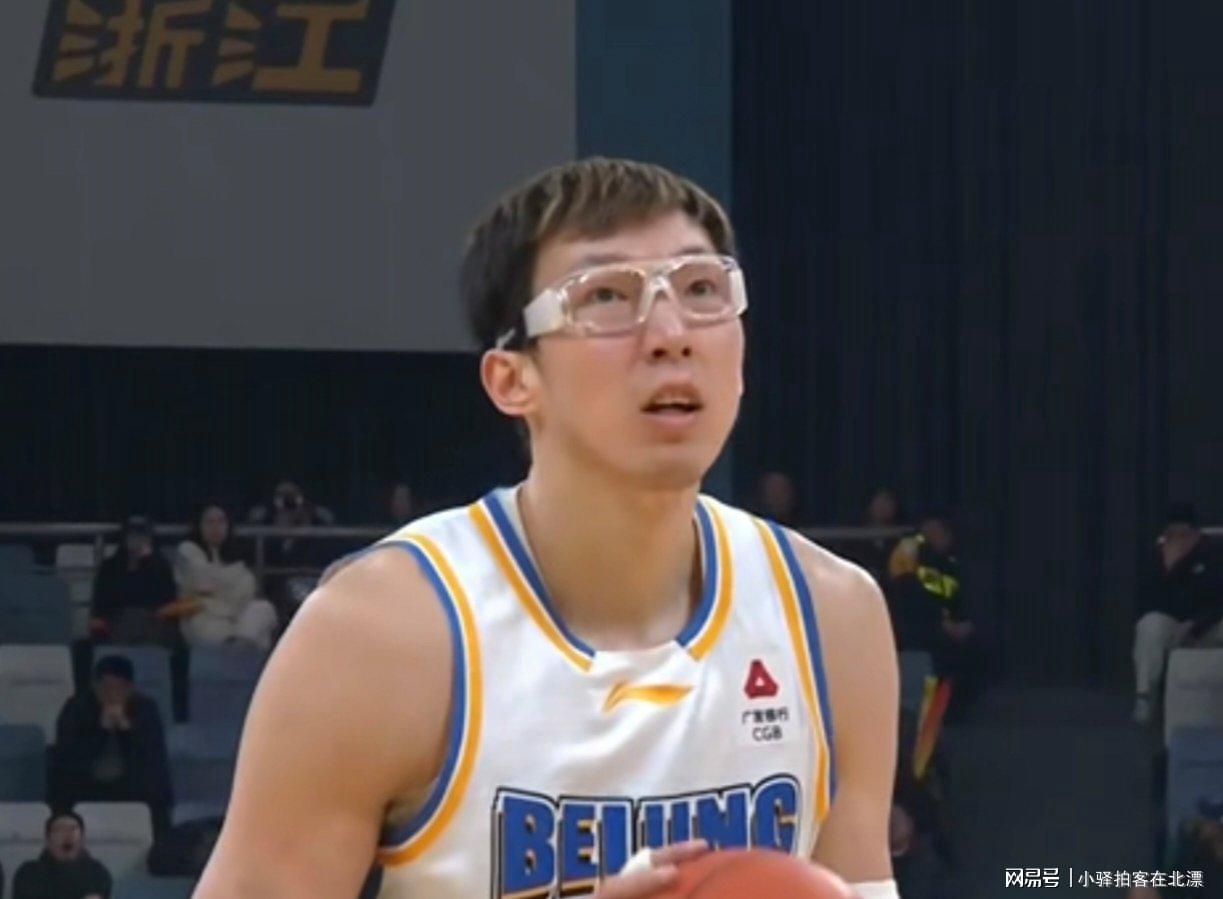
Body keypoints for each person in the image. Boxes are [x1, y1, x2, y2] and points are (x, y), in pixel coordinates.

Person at [196, 158, 900, 899]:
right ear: (512, 380)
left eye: (700, 290)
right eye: (606, 296)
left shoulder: (833, 614)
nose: (670, 334)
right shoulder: (380, 633)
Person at [50, 655, 173, 837]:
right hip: (85, 785)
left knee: (155, 793)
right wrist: (100, 731)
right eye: (106, 688)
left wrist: (126, 731)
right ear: (95, 687)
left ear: (130, 688)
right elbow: (68, 758)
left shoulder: (145, 709)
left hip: (132, 786)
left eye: (120, 688)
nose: (112, 694)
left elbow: (151, 758)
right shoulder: (76, 708)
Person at [888, 512, 985, 720]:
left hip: (944, 637)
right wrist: (941, 622)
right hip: (917, 636)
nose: (936, 537)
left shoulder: (952, 564)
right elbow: (906, 595)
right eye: (930, 532)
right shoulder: (909, 554)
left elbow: (960, 601)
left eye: (941, 533)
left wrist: (962, 624)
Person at [1133, 503, 1223, 726]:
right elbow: (1148, 604)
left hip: (1209, 625)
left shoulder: (1214, 553)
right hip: (1174, 626)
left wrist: (1195, 625)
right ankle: (1146, 696)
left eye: (1184, 535)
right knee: (1150, 625)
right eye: (1172, 535)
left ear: (1196, 534)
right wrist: (1169, 569)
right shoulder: (1157, 556)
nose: (1178, 540)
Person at [175, 503, 278, 651]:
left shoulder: (234, 556)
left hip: (234, 617)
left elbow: (248, 588)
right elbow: (204, 583)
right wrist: (234, 578)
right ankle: (238, 646)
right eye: (209, 522)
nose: (215, 527)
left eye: (221, 521)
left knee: (263, 608)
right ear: (199, 525)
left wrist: (220, 593)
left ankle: (240, 645)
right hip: (204, 618)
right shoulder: (187, 550)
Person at [88, 515, 177, 645]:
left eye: (141, 535)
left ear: (149, 539)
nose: (136, 540)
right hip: (117, 630)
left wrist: (148, 563)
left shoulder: (161, 567)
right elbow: (100, 610)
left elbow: (168, 606)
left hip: (153, 631)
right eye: (132, 535)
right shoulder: (109, 568)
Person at [12, 811, 111, 899]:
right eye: (59, 830)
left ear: (82, 838)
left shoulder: (97, 873)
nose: (67, 835)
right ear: (47, 839)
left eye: (73, 829)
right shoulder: (29, 874)